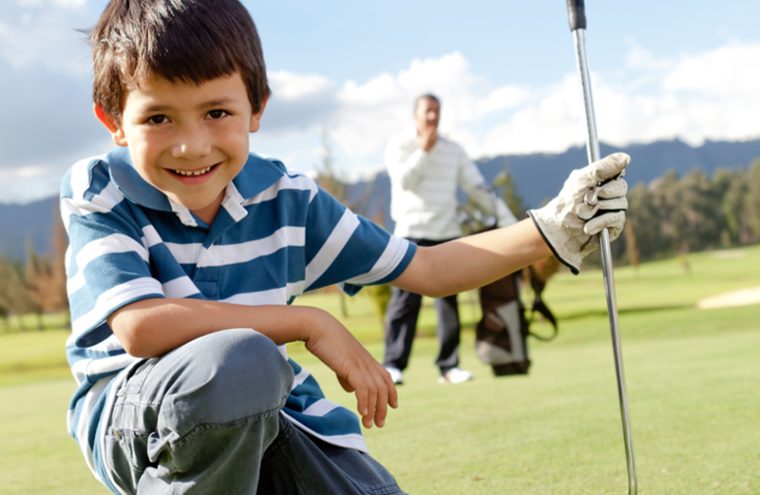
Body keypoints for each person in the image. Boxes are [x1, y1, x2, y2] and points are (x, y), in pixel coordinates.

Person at [60, 1, 630, 493]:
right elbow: (142, 326)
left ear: (257, 107)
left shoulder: (289, 200)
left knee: (255, 373)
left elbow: (427, 267)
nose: (191, 144)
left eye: (217, 112)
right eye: (158, 117)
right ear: (113, 121)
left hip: (274, 411)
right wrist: (309, 321)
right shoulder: (100, 190)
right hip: (138, 421)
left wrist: (550, 231)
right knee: (242, 361)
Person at [383, 93, 519, 385]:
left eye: (436, 112)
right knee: (404, 303)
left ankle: (449, 366)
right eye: (427, 112)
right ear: (415, 115)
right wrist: (424, 151)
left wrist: (510, 223)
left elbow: (476, 187)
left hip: (446, 234)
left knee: (448, 302)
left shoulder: (454, 150)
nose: (432, 117)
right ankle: (393, 365)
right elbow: (405, 181)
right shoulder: (399, 145)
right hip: (409, 233)